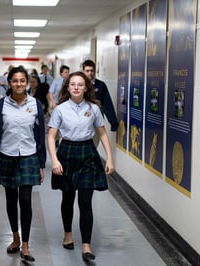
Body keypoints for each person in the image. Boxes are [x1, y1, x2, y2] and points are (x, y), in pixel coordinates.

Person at [47, 71, 115, 262]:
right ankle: (68, 234)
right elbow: (51, 136)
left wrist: (109, 158)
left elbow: (101, 134)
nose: (76, 87)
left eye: (80, 84)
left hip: (87, 153)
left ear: (86, 88)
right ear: (67, 88)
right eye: (73, 84)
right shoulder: (60, 109)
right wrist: (54, 160)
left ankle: (86, 245)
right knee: (67, 198)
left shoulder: (93, 109)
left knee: (85, 202)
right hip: (66, 153)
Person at [0, 66, 46, 262]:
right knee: (11, 200)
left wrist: (41, 163)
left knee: (26, 200)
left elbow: (40, 136)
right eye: (15, 81)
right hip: (7, 155)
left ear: (28, 83)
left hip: (29, 156)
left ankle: (26, 245)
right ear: (9, 82)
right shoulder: (0, 106)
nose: (19, 84)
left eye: (22, 80)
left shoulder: (35, 104)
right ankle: (15, 237)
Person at [82, 60, 119, 139]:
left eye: (92, 71)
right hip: (81, 120)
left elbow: (107, 104)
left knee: (94, 143)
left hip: (96, 121)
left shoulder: (101, 85)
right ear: (83, 71)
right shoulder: (78, 84)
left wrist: (113, 123)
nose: (90, 73)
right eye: (87, 71)